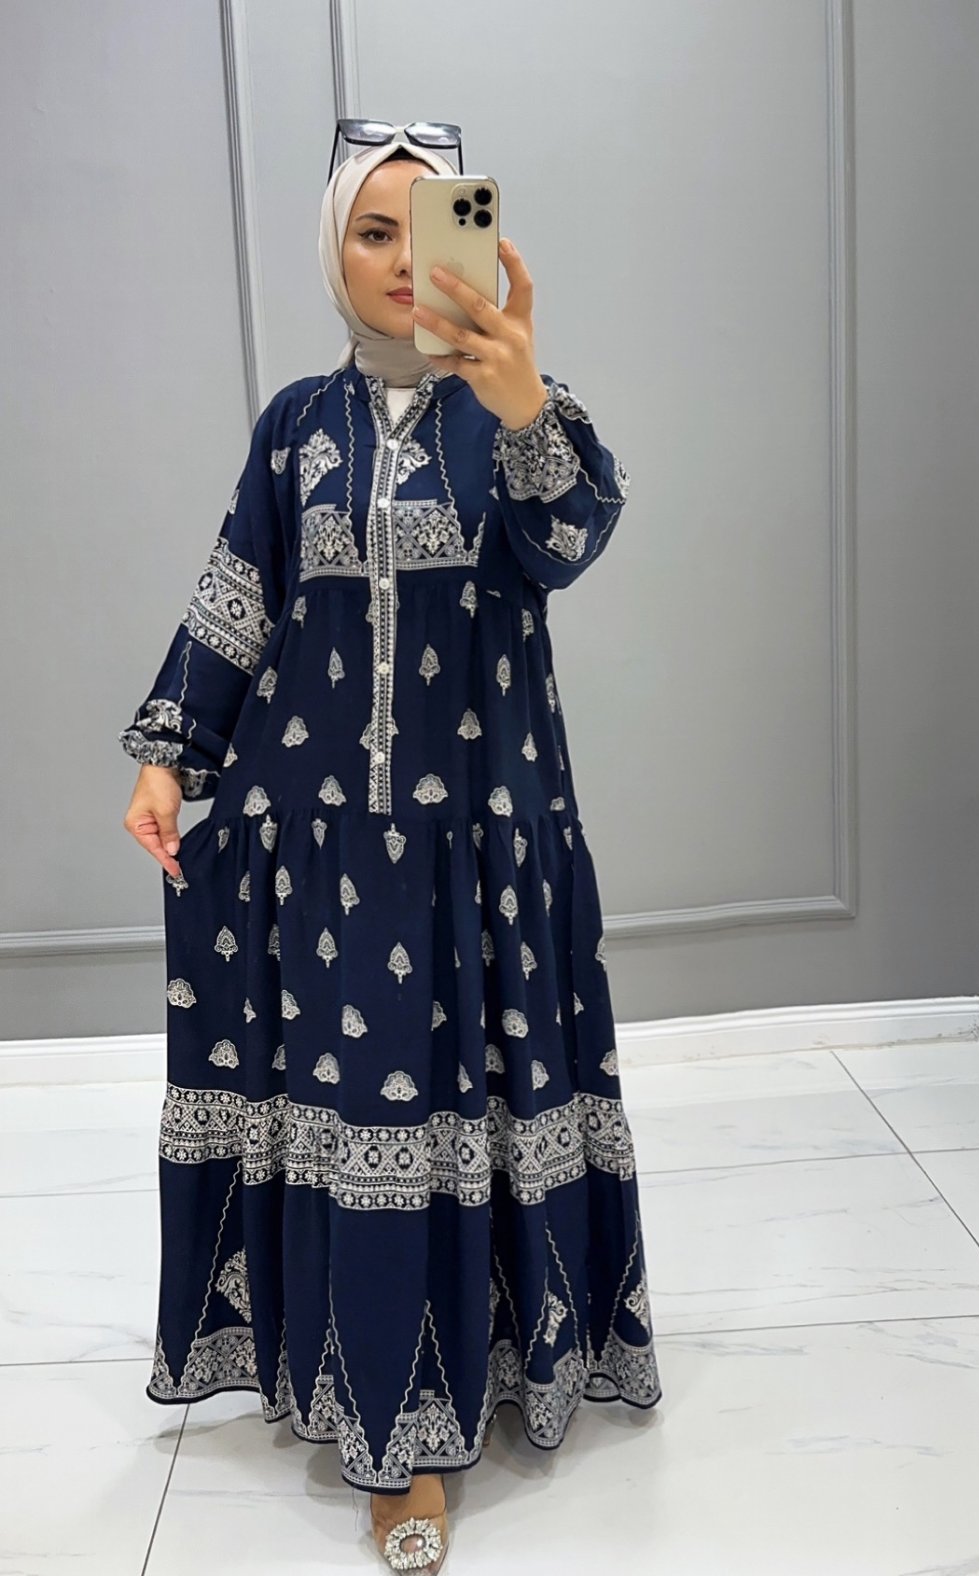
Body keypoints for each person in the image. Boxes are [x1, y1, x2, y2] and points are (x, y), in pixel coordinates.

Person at [119, 123, 663, 1573]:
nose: (405, 259)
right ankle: (390, 1426)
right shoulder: (296, 423)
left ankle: (486, 1369)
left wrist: (524, 394)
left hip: (478, 847)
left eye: (431, 227)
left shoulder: (516, 410)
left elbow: (571, 539)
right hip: (324, 859)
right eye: (374, 231)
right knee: (359, 1113)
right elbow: (239, 592)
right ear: (335, 254)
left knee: (468, 1105)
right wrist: (172, 753)